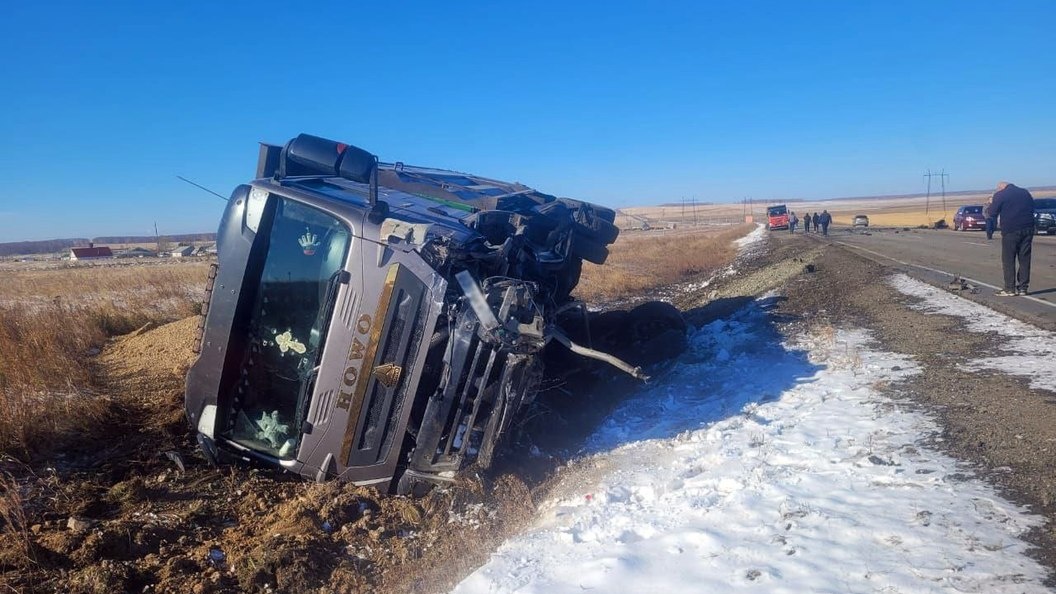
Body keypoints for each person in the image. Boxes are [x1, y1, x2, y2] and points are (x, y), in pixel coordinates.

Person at [987, 181, 1035, 296]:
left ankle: (1009, 288)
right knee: (1025, 258)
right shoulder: (1025, 192)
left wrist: (991, 202)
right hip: (1028, 228)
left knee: (1008, 259)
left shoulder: (1001, 195)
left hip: (1011, 230)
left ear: (1000, 188)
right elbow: (1032, 207)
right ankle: (1023, 288)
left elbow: (992, 213)